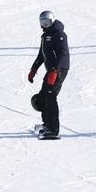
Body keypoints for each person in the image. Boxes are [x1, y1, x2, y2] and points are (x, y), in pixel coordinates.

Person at [27, 10, 70, 140]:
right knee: (43, 96)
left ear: (52, 21)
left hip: (59, 69)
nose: (45, 25)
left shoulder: (59, 34)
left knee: (51, 96)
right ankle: (47, 124)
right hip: (50, 70)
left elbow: (63, 54)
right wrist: (34, 69)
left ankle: (53, 129)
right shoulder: (45, 36)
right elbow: (41, 55)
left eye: (47, 22)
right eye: (43, 23)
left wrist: (55, 71)